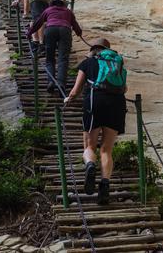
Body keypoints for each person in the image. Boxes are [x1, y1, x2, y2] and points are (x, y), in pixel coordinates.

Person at [64, 38, 127, 205]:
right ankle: (105, 185)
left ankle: (91, 165)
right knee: (106, 149)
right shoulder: (118, 63)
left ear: (93, 50)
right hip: (117, 104)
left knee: (90, 146)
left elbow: (76, 91)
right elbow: (124, 88)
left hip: (95, 101)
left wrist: (69, 99)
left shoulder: (88, 62)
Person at [28, 0, 82, 94]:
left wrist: (29, 33)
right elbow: (75, 25)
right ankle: (61, 83)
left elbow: (38, 23)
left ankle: (51, 82)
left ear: (52, 3)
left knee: (50, 59)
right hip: (65, 30)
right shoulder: (68, 11)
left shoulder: (48, 10)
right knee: (63, 59)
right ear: (63, 4)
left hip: (50, 29)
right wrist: (79, 32)